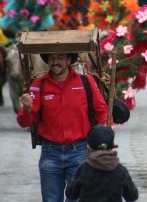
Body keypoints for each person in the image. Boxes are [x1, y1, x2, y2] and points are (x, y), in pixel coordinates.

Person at [17, 52, 112, 202]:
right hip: (50, 153)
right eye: (52, 58)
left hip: (80, 151)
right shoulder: (38, 85)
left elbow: (102, 110)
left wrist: (107, 128)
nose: (55, 62)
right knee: (51, 199)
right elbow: (24, 122)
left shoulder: (86, 82)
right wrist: (27, 109)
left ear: (69, 60)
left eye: (60, 57)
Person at [65, 125, 139, 202]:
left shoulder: (83, 169)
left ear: (89, 147)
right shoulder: (120, 170)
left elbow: (71, 194)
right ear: (112, 146)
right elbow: (132, 196)